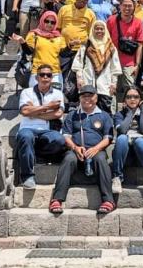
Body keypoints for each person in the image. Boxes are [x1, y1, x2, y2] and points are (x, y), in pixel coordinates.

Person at [49, 85, 115, 215]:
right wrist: (75, 147)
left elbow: (108, 138)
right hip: (76, 151)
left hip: (96, 151)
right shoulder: (73, 115)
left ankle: (108, 200)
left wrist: (96, 149)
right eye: (84, 96)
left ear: (96, 98)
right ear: (80, 98)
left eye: (90, 96)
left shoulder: (104, 116)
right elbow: (66, 136)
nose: (87, 99)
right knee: (68, 158)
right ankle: (57, 199)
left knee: (101, 159)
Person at [15, 64, 66, 189]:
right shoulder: (27, 92)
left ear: (52, 78)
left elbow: (58, 113)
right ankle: (27, 176)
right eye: (42, 74)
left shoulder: (58, 94)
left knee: (59, 140)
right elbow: (25, 112)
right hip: (28, 128)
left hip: (47, 130)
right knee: (25, 136)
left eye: (48, 75)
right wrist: (48, 107)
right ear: (37, 77)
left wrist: (34, 112)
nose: (45, 77)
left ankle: (37, 155)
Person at [111, 87, 143, 199]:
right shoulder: (119, 115)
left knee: (140, 141)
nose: (132, 99)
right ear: (124, 100)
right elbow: (123, 130)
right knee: (122, 138)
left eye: (136, 97)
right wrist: (129, 114)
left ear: (140, 99)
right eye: (129, 97)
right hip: (125, 156)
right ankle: (117, 178)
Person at [72, 21, 121, 113]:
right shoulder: (86, 45)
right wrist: (79, 79)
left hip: (105, 85)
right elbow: (78, 64)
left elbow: (115, 67)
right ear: (92, 30)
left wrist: (114, 83)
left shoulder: (111, 47)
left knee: (104, 112)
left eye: (101, 29)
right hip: (87, 82)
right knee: (86, 110)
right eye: (97, 28)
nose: (99, 31)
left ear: (105, 30)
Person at [12, 11, 67, 87]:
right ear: (42, 20)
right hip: (37, 72)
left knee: (55, 98)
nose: (49, 24)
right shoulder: (34, 34)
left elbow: (64, 54)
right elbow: (29, 52)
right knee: (35, 98)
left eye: (53, 22)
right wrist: (23, 42)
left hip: (55, 73)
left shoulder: (59, 37)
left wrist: (71, 46)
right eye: (46, 21)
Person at [57, 0, 96, 89]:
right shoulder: (64, 9)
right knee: (63, 73)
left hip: (81, 50)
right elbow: (58, 29)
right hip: (64, 48)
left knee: (78, 76)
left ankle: (77, 100)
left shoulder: (91, 13)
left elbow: (92, 34)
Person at [106, 0, 143, 98]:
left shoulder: (138, 22)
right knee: (112, 90)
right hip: (113, 61)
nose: (127, 8)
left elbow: (140, 45)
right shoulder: (111, 20)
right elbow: (106, 41)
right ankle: (114, 113)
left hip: (129, 63)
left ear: (134, 7)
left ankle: (129, 112)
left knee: (130, 89)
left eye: (130, 6)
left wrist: (137, 65)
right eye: (125, 5)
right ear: (120, 6)